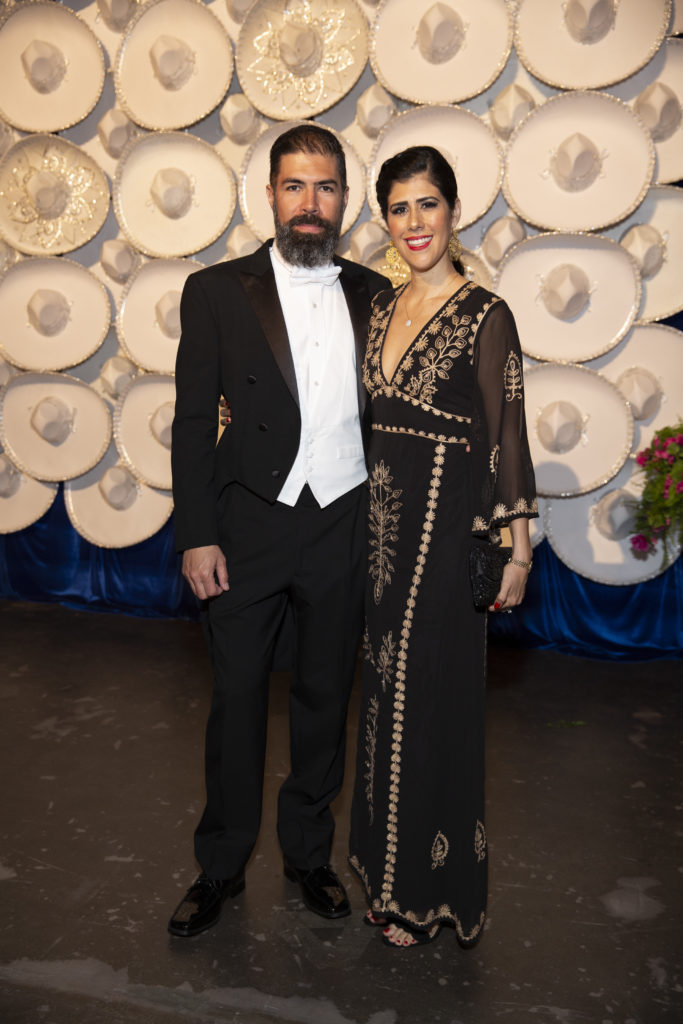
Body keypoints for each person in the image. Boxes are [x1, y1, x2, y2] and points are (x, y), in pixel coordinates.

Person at [168, 124, 389, 938]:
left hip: (342, 523)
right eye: (294, 186)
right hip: (245, 528)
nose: (309, 203)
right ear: (268, 194)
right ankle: (220, 866)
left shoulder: (375, 293)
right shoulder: (216, 291)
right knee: (233, 702)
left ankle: (308, 856)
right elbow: (192, 423)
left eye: (324, 187)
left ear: (342, 199)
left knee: (324, 698)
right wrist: (197, 534)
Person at [348, 146, 537, 949]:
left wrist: (517, 551)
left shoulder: (486, 314)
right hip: (379, 539)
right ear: (384, 219)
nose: (413, 223)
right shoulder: (382, 308)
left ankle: (429, 893)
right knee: (384, 705)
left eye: (426, 205)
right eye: (397, 208)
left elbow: (506, 435)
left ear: (452, 212)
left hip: (444, 533)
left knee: (431, 709)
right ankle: (385, 875)